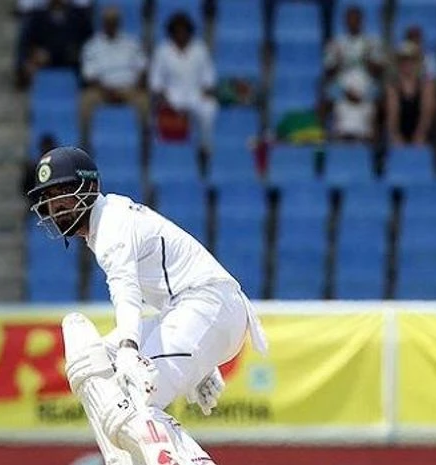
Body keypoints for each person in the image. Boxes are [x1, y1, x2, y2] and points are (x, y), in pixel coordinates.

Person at [27, 146, 267, 464]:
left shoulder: (112, 224)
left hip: (209, 308)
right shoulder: (107, 222)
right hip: (200, 311)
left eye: (62, 194)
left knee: (133, 394)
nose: (55, 207)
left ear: (89, 188)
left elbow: (126, 293)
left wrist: (129, 349)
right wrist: (201, 364)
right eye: (49, 198)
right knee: (92, 362)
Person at [150, 12, 217, 159]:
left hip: (195, 96)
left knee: (209, 108)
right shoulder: (163, 51)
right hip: (172, 97)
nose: (181, 34)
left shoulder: (200, 49)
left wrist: (205, 92)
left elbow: (209, 79)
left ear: (189, 31)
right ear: (172, 32)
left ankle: (204, 148)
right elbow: (156, 81)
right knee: (157, 112)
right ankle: (162, 154)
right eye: (177, 31)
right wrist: (164, 99)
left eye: (184, 31)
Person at [79, 5, 148, 144]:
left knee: (144, 101)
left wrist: (134, 87)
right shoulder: (92, 45)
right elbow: (88, 75)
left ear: (119, 23)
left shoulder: (131, 43)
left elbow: (142, 69)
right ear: (103, 23)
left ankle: (144, 146)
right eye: (108, 21)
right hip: (101, 90)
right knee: (85, 101)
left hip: (128, 89)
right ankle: (86, 144)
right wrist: (106, 91)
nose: (111, 25)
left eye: (114, 21)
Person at [386, 41, 435, 146]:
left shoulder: (426, 85)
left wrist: (420, 135)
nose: (407, 63)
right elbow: (392, 116)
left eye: (410, 59)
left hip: (422, 134)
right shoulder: (393, 86)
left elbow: (426, 114)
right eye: (403, 59)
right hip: (401, 133)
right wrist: (396, 136)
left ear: (417, 62)